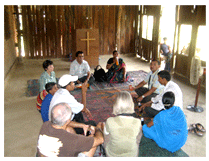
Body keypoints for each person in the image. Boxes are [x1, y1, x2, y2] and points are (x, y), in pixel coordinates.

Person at [36, 103, 104, 157]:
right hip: (69, 145)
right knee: (92, 141)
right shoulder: (71, 140)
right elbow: (100, 139)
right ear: (68, 120)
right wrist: (97, 128)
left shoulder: (45, 125)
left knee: (68, 129)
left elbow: (67, 124)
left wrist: (83, 125)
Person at [103, 91, 142, 157]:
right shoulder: (137, 121)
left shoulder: (110, 121)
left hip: (112, 154)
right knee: (139, 132)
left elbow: (106, 135)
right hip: (132, 155)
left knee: (104, 129)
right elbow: (138, 138)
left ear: (116, 104)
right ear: (131, 104)